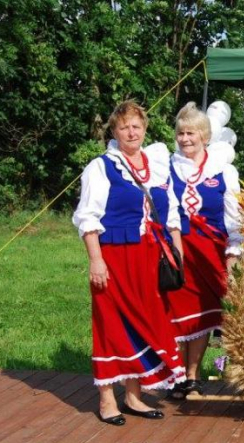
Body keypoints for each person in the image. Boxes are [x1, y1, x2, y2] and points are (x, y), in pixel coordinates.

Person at [73, 101, 186, 426]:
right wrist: (96, 260)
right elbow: (88, 217)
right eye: (124, 127)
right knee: (110, 323)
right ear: (114, 131)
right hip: (114, 257)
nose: (131, 132)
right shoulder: (102, 167)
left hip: (149, 258)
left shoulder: (158, 166)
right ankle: (107, 398)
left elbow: (172, 212)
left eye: (136, 126)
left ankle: (134, 397)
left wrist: (177, 256)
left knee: (144, 321)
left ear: (145, 128)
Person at [166, 102, 243, 399]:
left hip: (210, 251)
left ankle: (192, 375)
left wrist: (234, 254)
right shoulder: (167, 167)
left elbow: (234, 216)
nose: (185, 139)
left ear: (206, 136)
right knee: (175, 312)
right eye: (181, 133)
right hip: (176, 250)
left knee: (202, 314)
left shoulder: (224, 171)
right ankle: (175, 375)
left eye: (191, 133)